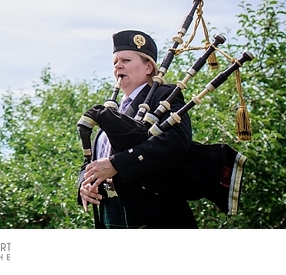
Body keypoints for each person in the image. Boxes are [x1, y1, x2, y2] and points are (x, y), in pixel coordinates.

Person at [77, 30, 197, 228]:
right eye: (115, 62)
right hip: (109, 208)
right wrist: (84, 183)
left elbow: (175, 142)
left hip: (152, 213)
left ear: (149, 67)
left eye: (126, 60)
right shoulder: (113, 110)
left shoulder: (164, 96)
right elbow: (93, 160)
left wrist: (116, 165)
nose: (118, 66)